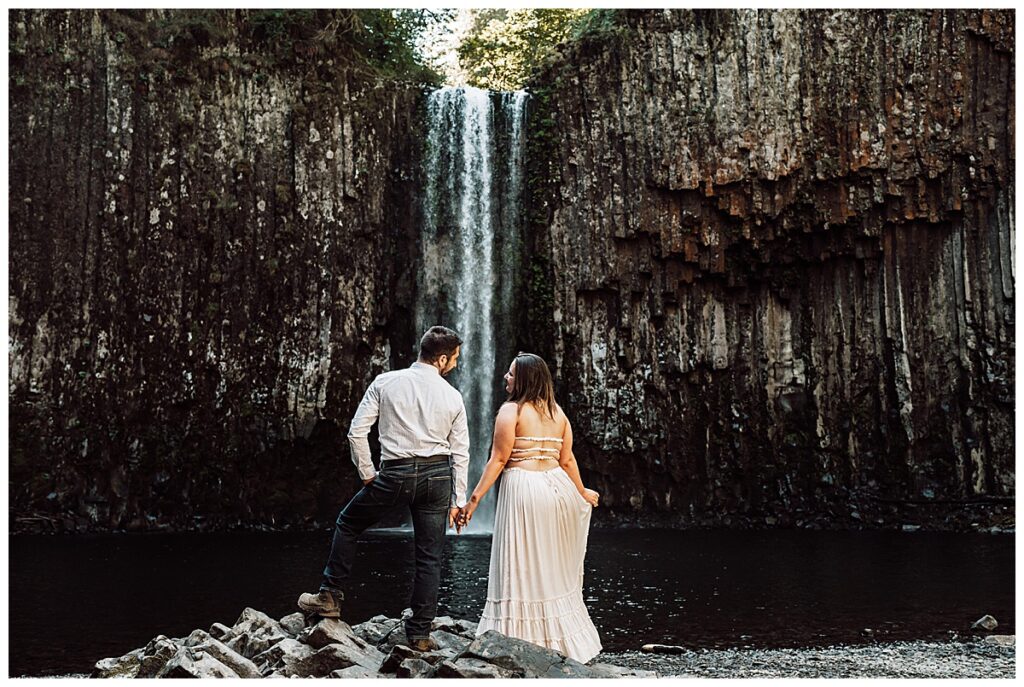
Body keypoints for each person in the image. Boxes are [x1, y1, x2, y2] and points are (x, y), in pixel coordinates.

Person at [297, 325, 470, 651]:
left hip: (396, 472)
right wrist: (457, 501)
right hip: (438, 477)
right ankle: (419, 634)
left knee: (348, 523)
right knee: (430, 557)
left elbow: (356, 433)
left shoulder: (386, 382)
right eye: (455, 359)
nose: (456, 365)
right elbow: (461, 452)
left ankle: (330, 597)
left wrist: (367, 473)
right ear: (442, 359)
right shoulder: (453, 396)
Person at [457, 352, 603, 663]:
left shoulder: (511, 411)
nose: (506, 378)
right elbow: (567, 459)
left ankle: (516, 636)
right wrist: (580, 491)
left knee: (519, 561)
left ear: (523, 380)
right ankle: (560, 639)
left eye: (510, 374)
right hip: (555, 489)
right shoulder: (557, 413)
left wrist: (473, 501)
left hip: (524, 488)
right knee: (548, 563)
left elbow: (498, 459)